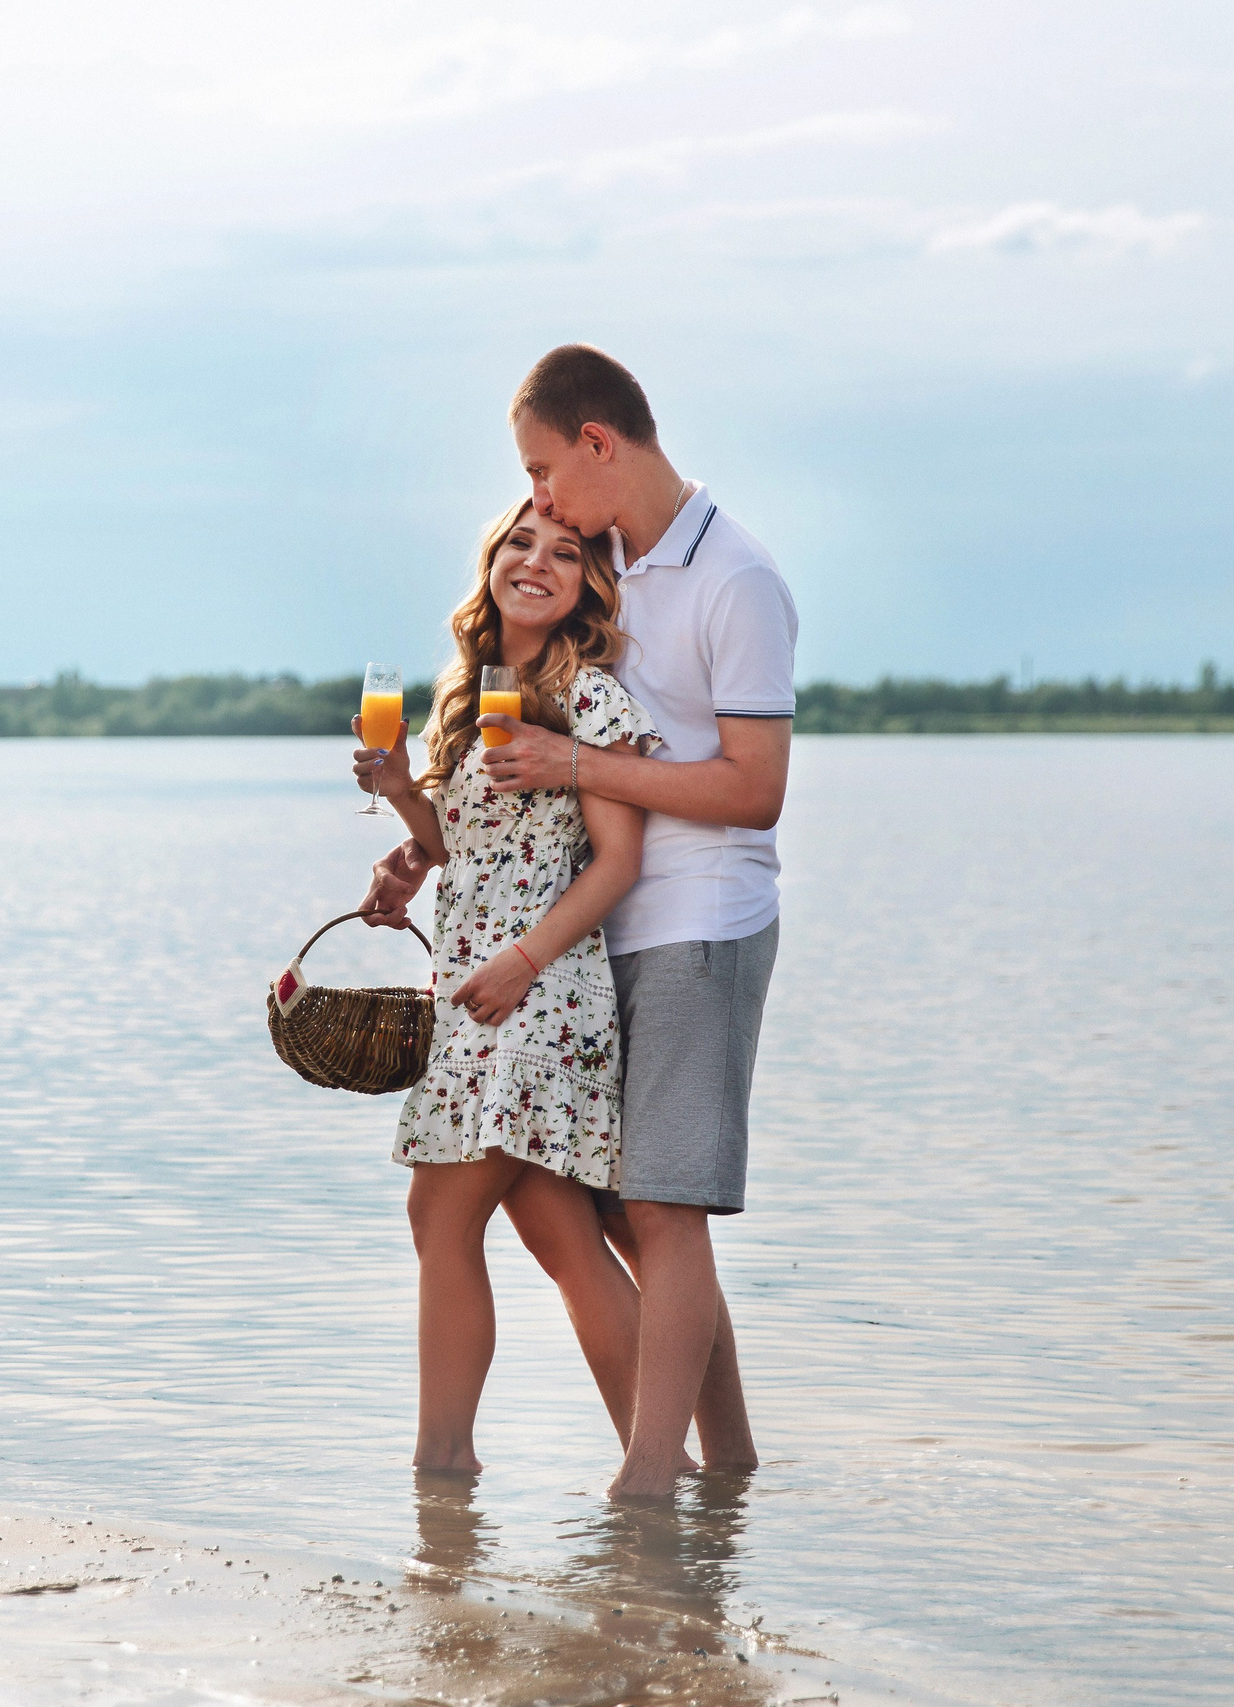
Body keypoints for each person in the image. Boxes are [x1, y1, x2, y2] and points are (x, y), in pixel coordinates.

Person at [362, 345, 797, 1499]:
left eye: (545, 476)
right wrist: (412, 827)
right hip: (590, 949)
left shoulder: (731, 582)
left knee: (652, 1208)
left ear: (597, 444)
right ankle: (725, 1469)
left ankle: (638, 1489)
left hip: (676, 930)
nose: (541, 506)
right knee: (590, 1218)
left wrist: (567, 774)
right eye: (523, 509)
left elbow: (751, 789)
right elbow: (510, 832)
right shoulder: (625, 567)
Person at [350, 497, 664, 1474]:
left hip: (538, 992)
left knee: (439, 1214)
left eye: (564, 553)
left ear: (586, 587)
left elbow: (616, 863)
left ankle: (442, 1465)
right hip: (472, 988)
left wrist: (523, 961)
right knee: (559, 1235)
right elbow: (469, 852)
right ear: (491, 561)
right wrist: (405, 800)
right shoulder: (469, 693)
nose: (536, 562)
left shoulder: (593, 700)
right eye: (519, 543)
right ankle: (667, 1479)